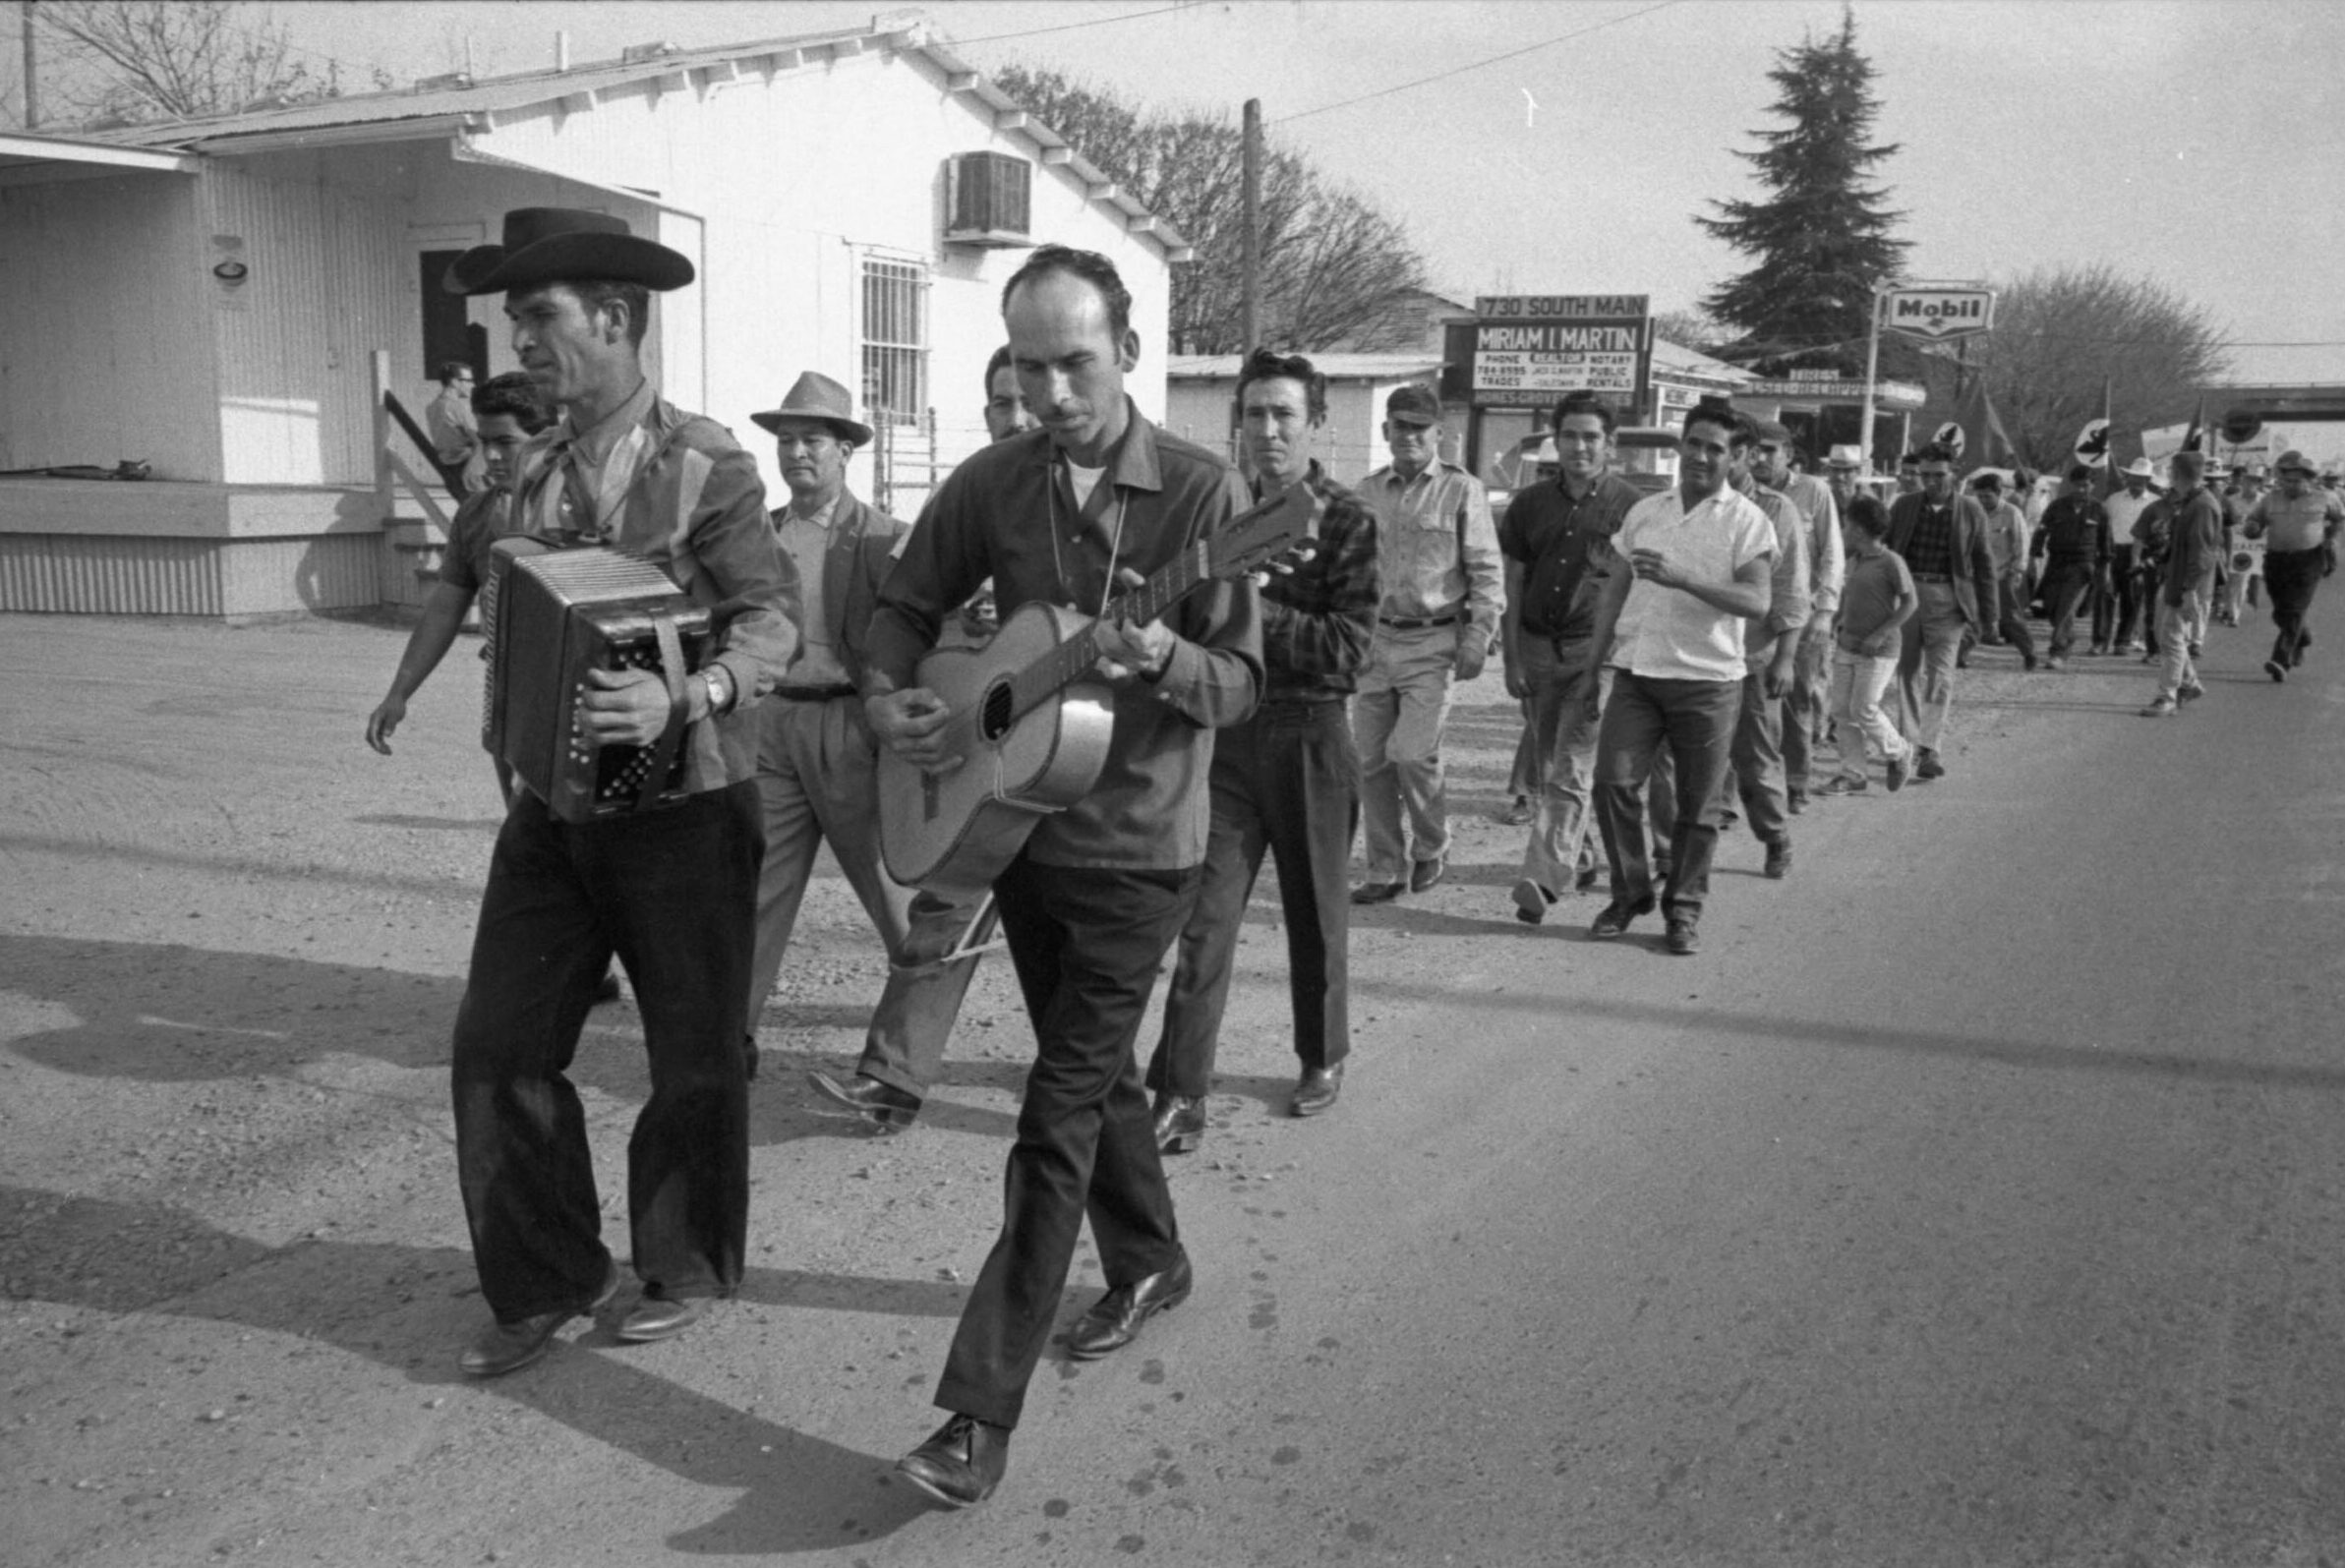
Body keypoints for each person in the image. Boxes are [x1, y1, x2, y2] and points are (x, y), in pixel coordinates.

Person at [862, 245, 1262, 1509]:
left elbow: (1243, 682)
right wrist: (895, 703)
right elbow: (899, 605)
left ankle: (977, 1414)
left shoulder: (1206, 493)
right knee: (1099, 1082)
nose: (1049, 392)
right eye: (1028, 366)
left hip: (1142, 849)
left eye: (1073, 364)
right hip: (1020, 827)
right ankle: (1150, 1255)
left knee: (1058, 1107)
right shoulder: (995, 480)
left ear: (1129, 353)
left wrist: (1165, 663)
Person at [439, 206, 796, 1376]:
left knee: (693, 1053)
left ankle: (685, 1260)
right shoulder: (529, 474)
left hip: (688, 804)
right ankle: (549, 1274)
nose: (521, 341)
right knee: (497, 1045)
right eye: (514, 320)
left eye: (539, 316)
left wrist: (686, 695)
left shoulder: (709, 460)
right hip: (555, 809)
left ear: (616, 317)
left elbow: (772, 620)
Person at [1144, 348, 1379, 1148]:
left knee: (1315, 910)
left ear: (1315, 423)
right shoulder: (1213, 511)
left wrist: (1246, 610)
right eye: (1253, 414)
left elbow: (1348, 649)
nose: (1267, 430)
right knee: (1203, 918)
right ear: (1234, 423)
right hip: (1227, 737)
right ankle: (1180, 1086)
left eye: (1284, 414)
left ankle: (1321, 1054)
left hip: (1311, 735)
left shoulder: (1345, 518)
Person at [1582, 396, 1775, 957]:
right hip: (1638, 673)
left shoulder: (1747, 521)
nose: (1699, 456)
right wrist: (1593, 667)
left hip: (1708, 682)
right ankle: (1632, 892)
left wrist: (1685, 577)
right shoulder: (1648, 511)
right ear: (1680, 445)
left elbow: (1758, 601)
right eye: (1692, 443)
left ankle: (1683, 910)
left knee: (1697, 806)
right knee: (1612, 782)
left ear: (1735, 457)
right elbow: (1615, 588)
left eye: (1714, 449)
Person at [1349, 384, 1502, 904]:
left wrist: (1479, 633)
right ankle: (1384, 867)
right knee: (1370, 761)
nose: (1409, 436)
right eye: (1400, 425)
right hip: (1374, 639)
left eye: (1420, 427)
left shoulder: (1463, 491)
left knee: (1412, 752)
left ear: (1441, 434)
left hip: (1432, 640)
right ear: (1385, 430)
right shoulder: (1365, 492)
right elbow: (1348, 571)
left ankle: (1433, 843)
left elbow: (1485, 569)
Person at [1497, 392, 1644, 925]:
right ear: (1553, 440)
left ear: (1610, 444)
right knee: (1544, 763)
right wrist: (1511, 657)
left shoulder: (1632, 507)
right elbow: (1512, 583)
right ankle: (1579, 858)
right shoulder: (1528, 505)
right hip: (1537, 650)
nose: (1579, 446)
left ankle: (1542, 880)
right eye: (1569, 436)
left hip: (1595, 653)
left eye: (1590, 437)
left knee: (1571, 768)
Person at [366, 371, 551, 784]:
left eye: (506, 442)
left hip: (574, 688)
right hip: (507, 684)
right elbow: (444, 610)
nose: (492, 457)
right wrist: (399, 692)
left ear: (546, 439)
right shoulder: (476, 514)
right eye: (485, 443)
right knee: (520, 818)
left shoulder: (583, 511)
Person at [1720, 416, 1810, 878]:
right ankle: (1671, 857)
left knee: (1755, 764)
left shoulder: (1776, 512)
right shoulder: (1687, 506)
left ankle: (1775, 835)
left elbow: (1793, 592)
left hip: (1752, 656)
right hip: (1692, 657)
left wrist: (1786, 658)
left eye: (1732, 451)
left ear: (1749, 455)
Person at [1882, 442, 1998, 782]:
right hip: (1907, 597)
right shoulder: (1904, 506)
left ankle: (1930, 748)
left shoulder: (1971, 510)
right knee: (1906, 673)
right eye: (1925, 475)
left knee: (1941, 675)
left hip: (1949, 599)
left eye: (1938, 475)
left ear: (1954, 473)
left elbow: (1984, 563)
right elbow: (1884, 553)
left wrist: (1990, 615)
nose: (1931, 481)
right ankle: (1908, 743)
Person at [1749, 421, 1840, 814]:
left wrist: (1824, 613)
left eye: (1771, 450)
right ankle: (1750, 787)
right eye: (1757, 449)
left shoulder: (1814, 491)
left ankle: (1797, 781)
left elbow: (1833, 553)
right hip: (1751, 612)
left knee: (1796, 700)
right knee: (1748, 703)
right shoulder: (1742, 493)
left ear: (1788, 453)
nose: (1762, 458)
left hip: (1801, 614)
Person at [1822, 493, 1916, 794]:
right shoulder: (1853, 561)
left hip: (1879, 651)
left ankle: (1898, 751)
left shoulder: (1891, 562)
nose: (1843, 530)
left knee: (1863, 707)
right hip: (1847, 646)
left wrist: (1879, 635)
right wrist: (1831, 623)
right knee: (1840, 710)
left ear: (1860, 530)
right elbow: (1845, 599)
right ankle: (1853, 773)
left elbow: (1909, 603)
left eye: (1847, 524)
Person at [2245, 448, 2345, 681]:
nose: (2290, 485)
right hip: (2276, 559)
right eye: (2286, 480)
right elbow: (2255, 520)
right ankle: (2303, 637)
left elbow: (2339, 518)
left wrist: (2329, 538)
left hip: (2309, 559)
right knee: (2280, 611)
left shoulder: (2325, 497)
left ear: (2309, 480)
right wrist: (2252, 528)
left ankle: (2280, 659)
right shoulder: (2271, 498)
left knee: (2295, 608)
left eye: (2296, 481)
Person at [2140, 449, 2223, 717]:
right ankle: (2189, 683)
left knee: (2173, 638)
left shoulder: (2202, 506)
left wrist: (2189, 591)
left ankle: (2167, 695)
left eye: (2172, 472)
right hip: (2174, 577)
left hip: (2187, 582)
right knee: (2162, 632)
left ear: (2178, 474)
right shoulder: (2190, 502)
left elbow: (2201, 554)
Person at [2029, 465, 2110, 671]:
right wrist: (2034, 555)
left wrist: (2106, 570)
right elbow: (2041, 531)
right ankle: (2068, 637)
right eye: (2077, 485)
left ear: (2092, 486)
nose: (2081, 490)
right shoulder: (2057, 506)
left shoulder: (2099, 509)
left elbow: (2106, 544)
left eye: (2085, 485)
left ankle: (2058, 652)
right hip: (2056, 564)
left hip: (2082, 567)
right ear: (2070, 485)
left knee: (2066, 608)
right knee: (2053, 609)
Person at [1970, 471, 2039, 670]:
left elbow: (2022, 544)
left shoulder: (2011, 513)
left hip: (2003, 574)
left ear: (1998, 493)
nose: (1983, 500)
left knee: (2009, 618)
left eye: (1987, 496)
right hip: (1977, 574)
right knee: (1971, 615)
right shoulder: (1973, 512)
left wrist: (2017, 571)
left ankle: (2029, 653)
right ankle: (1959, 655)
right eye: (1979, 496)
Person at [2098, 457, 2159, 656]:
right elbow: (2103, 527)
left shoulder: (2155, 503)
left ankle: (2122, 641)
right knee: (2106, 597)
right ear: (2128, 477)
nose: (2137, 482)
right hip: (2113, 551)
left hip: (2139, 553)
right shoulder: (2113, 500)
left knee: (2132, 599)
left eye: (2141, 478)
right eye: (2134, 477)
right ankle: (2100, 641)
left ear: (2148, 480)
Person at [425, 360, 486, 496]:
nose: (473, 385)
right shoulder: (458, 407)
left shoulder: (431, 407)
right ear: (454, 382)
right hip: (468, 467)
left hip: (448, 468)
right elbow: (480, 441)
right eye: (469, 380)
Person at [2221, 463, 2268, 625]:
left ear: (2259, 483)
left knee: (2242, 580)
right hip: (2231, 543)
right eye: (2247, 480)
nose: (2249, 484)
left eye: (2254, 481)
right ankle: (2228, 608)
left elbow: (2270, 524)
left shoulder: (2264, 501)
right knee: (2229, 579)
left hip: (2250, 546)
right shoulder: (2231, 500)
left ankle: (2234, 614)